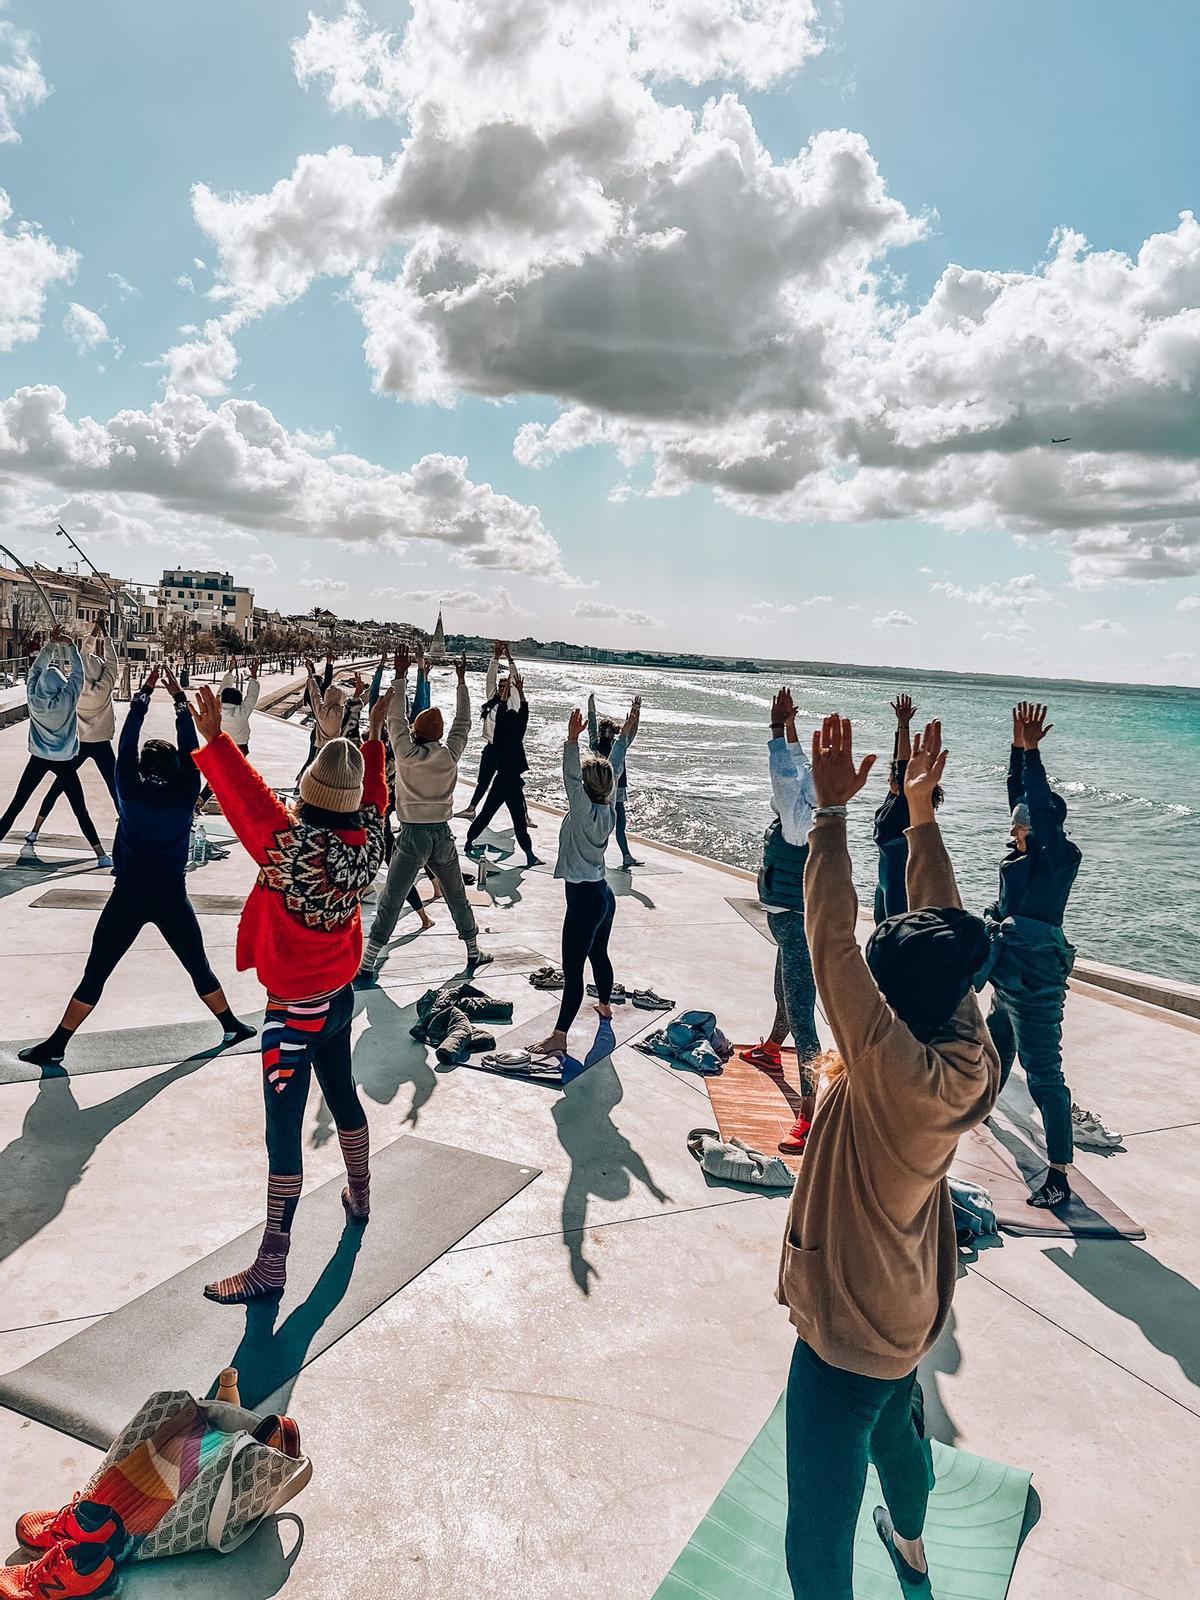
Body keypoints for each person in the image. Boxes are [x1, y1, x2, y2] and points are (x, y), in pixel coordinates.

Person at [779, 716, 998, 1600]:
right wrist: (920, 817)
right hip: (910, 1305)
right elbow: (940, 926)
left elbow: (828, 940)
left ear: (889, 1004)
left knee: (816, 1532)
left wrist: (831, 817)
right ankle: (911, 1544)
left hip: (850, 1331)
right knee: (895, 1434)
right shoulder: (965, 1047)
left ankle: (892, 1546)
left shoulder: (893, 1070)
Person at [189, 682, 390, 1304]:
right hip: (339, 1000)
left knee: (284, 1137)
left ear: (307, 791)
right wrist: (372, 741)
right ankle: (360, 1193)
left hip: (293, 1016)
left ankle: (272, 1264)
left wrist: (215, 740)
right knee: (344, 1095)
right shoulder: (370, 843)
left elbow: (247, 800)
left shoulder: (292, 848)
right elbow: (375, 800)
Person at [17, 667, 254, 1069]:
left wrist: (143, 696)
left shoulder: (128, 788)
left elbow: (125, 742)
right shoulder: (186, 792)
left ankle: (57, 1043)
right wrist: (179, 701)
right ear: (178, 767)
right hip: (171, 897)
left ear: (143, 766)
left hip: (127, 897)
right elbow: (189, 748)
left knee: (96, 973)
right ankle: (231, 1026)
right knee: (198, 965)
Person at [982, 702, 1114, 1202]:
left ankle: (1059, 1173)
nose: (1012, 829)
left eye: (1021, 826)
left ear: (1036, 829)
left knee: (1043, 1077)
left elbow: (1035, 805)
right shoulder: (1023, 852)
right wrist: (1017, 747)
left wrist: (1035, 755)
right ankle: (981, 1111)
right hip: (1007, 972)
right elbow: (1019, 797)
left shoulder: (1057, 858)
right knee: (997, 1046)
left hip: (1036, 981)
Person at [356, 647, 490, 985]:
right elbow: (464, 723)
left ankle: (368, 963)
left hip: (412, 835)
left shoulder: (406, 754)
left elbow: (395, 719)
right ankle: (473, 950)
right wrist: (462, 681)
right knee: (456, 897)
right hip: (442, 834)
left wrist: (401, 676)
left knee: (392, 898)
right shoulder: (449, 755)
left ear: (416, 731)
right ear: (440, 735)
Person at [738, 688, 822, 1156]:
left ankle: (809, 1112)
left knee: (803, 1017)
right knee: (783, 992)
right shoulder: (811, 805)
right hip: (789, 922)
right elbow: (799, 769)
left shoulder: (797, 821)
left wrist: (774, 730)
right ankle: (772, 1049)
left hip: (796, 925)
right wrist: (791, 730)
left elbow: (784, 776)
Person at [533, 702, 637, 1057]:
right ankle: (605, 1007)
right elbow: (615, 768)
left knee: (573, 970)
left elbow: (570, 778)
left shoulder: (582, 812)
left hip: (583, 902)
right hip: (602, 895)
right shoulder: (608, 808)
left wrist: (571, 740)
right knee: (599, 954)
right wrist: (623, 737)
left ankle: (559, 1036)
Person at [0, 627, 110, 867]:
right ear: (60, 685)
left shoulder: (33, 697)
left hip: (38, 758)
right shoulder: (68, 698)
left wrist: (50, 645)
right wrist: (70, 646)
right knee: (80, 809)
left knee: (16, 805)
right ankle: (101, 855)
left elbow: (35, 671)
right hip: (65, 761)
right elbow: (78, 674)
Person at [24, 620, 119, 844]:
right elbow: (112, 662)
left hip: (78, 743)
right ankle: (127, 821)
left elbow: (82, 657)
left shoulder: (74, 690)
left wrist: (93, 634)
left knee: (58, 786)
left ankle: (35, 829)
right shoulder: (105, 686)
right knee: (115, 786)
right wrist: (105, 636)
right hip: (102, 743)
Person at [873, 693, 944, 923]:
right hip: (885, 878)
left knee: (895, 929)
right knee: (881, 929)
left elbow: (903, 766)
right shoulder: (893, 798)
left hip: (898, 880)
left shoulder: (906, 804)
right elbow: (899, 761)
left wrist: (904, 726)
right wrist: (899, 726)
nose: (890, 778)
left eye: (894, 775)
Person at [464, 661, 541, 868]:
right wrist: (520, 691)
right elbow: (524, 710)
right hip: (513, 784)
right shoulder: (518, 735)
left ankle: (469, 842)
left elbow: (506, 708)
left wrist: (507, 692)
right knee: (518, 822)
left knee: (486, 814)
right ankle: (530, 855)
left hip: (501, 782)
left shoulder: (498, 736)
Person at [196, 656, 261, 812]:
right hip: (239, 749)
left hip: (219, 746)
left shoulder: (217, 711)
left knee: (221, 776)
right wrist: (253, 676)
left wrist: (230, 671)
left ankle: (201, 801)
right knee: (229, 777)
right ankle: (237, 805)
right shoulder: (242, 712)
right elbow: (252, 697)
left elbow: (221, 691)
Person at [459, 640, 512, 820]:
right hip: (491, 748)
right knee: (483, 781)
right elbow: (490, 679)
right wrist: (495, 658)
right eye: (500, 687)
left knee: (513, 784)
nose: (502, 690)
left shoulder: (513, 706)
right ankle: (471, 808)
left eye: (506, 687)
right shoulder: (493, 700)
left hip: (506, 750)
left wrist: (509, 658)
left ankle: (525, 816)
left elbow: (515, 680)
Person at [588, 691, 641, 868]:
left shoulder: (606, 745)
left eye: (606, 731)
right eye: (604, 731)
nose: (605, 734)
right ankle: (622, 856)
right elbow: (630, 732)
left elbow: (630, 730)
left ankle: (623, 856)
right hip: (610, 789)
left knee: (611, 824)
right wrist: (635, 711)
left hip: (609, 789)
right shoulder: (611, 745)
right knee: (615, 825)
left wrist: (636, 711)